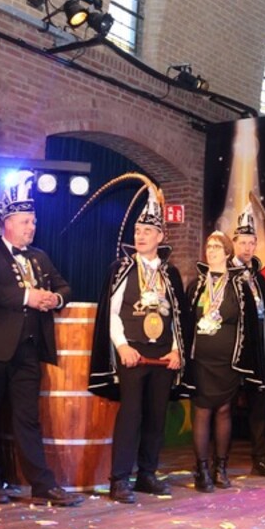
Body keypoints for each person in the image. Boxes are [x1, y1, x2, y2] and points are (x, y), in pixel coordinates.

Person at [0, 171, 82, 507]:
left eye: (34, 221)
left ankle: (42, 484)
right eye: (26, 221)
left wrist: (55, 299)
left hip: (28, 349)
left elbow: (64, 286)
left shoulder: (39, 257)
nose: (32, 227)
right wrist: (28, 296)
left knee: (28, 418)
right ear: (8, 223)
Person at [88, 182, 187, 503]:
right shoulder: (121, 269)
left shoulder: (171, 274)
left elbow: (179, 317)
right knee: (130, 415)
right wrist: (121, 347)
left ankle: (147, 474)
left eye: (147, 231)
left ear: (160, 237)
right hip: (132, 352)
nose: (141, 236)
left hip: (163, 356)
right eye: (137, 231)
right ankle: (119, 479)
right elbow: (112, 313)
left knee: (157, 416)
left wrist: (177, 350)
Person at [183, 232, 261, 492]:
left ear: (227, 252)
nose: (212, 250)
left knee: (225, 410)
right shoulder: (196, 285)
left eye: (217, 246)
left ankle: (221, 468)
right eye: (209, 246)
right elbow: (185, 323)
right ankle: (202, 469)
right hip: (201, 361)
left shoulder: (239, 286)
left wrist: (245, 361)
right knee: (202, 410)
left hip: (228, 361)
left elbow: (249, 324)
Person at [230, 203, 265, 478]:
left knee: (259, 405)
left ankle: (260, 458)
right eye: (243, 242)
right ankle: (218, 461)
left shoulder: (258, 277)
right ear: (234, 243)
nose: (248, 247)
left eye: (252, 242)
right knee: (226, 405)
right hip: (234, 351)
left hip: (258, 350)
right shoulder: (226, 274)